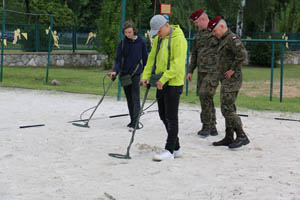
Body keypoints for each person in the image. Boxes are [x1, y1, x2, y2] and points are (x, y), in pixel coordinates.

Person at [141, 15, 187, 161]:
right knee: (162, 114)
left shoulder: (179, 39)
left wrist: (165, 78)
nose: (157, 34)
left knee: (171, 117)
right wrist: (145, 76)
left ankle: (169, 150)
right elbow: (151, 59)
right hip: (160, 82)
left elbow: (178, 63)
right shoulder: (158, 40)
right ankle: (177, 147)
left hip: (173, 83)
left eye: (159, 31)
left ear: (166, 25)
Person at [207, 16, 250, 148]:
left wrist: (232, 69)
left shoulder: (232, 39)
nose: (214, 34)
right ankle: (229, 136)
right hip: (225, 79)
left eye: (215, 31)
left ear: (222, 26)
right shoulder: (223, 39)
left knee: (226, 108)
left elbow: (242, 54)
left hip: (232, 79)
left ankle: (242, 135)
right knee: (229, 107)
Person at [109, 20, 148, 130]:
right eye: (126, 33)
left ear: (134, 31)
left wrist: (146, 74)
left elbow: (145, 60)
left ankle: (136, 122)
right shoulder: (122, 43)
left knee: (135, 98)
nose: (127, 35)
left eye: (129, 32)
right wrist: (115, 71)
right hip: (124, 75)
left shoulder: (141, 42)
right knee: (129, 99)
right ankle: (132, 121)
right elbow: (117, 60)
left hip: (136, 74)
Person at [187, 9, 220, 138]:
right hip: (202, 71)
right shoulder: (198, 36)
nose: (196, 25)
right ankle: (212, 126)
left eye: (196, 22)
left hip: (214, 71)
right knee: (206, 98)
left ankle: (207, 126)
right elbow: (194, 54)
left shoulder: (216, 31)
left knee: (205, 94)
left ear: (203, 19)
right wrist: (190, 70)